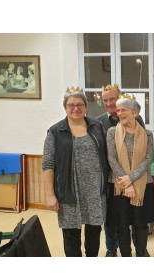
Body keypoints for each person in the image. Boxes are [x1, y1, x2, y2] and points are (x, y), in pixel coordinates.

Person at [42, 86, 108, 257]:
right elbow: (48, 164)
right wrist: (50, 195)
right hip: (69, 191)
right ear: (65, 108)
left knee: (94, 231)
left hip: (94, 191)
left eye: (79, 104)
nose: (76, 108)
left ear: (86, 107)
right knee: (71, 235)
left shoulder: (97, 126)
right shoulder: (55, 132)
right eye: (71, 105)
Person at [96, 84, 146, 257]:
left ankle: (140, 248)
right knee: (112, 219)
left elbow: (141, 147)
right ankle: (112, 248)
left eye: (112, 99)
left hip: (135, 178)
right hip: (111, 178)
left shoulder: (136, 120)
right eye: (105, 100)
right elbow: (107, 154)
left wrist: (130, 178)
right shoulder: (99, 122)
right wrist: (122, 178)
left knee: (136, 217)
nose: (109, 103)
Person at [106, 97, 154, 257]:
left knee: (140, 224)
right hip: (119, 185)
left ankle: (141, 253)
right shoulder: (112, 132)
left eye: (123, 110)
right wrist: (126, 183)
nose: (119, 112)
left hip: (142, 184)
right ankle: (126, 255)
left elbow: (148, 160)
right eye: (118, 109)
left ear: (135, 112)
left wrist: (131, 179)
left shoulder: (147, 135)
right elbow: (111, 158)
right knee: (121, 225)